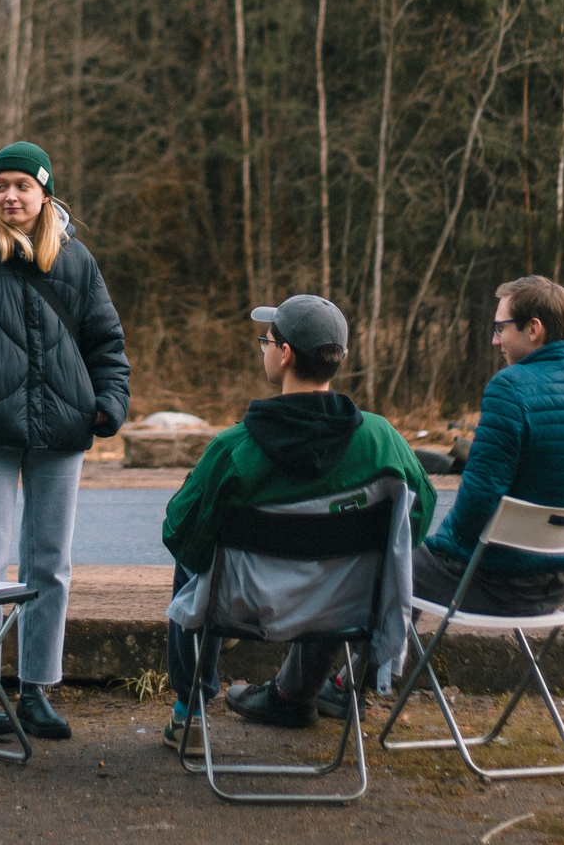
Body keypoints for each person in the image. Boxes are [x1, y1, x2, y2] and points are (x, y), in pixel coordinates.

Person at [0, 141, 131, 743]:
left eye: (22, 186)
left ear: (45, 194)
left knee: (50, 566)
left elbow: (106, 344)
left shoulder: (77, 262)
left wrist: (108, 403)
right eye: (0, 186)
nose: (10, 195)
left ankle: (37, 690)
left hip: (62, 434)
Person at [160, 294, 435, 740]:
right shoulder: (383, 442)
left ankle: (188, 709)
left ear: (284, 355)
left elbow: (179, 529)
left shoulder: (234, 449)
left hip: (245, 604)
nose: (265, 348)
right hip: (344, 605)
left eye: (266, 341)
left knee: (193, 559)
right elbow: (417, 517)